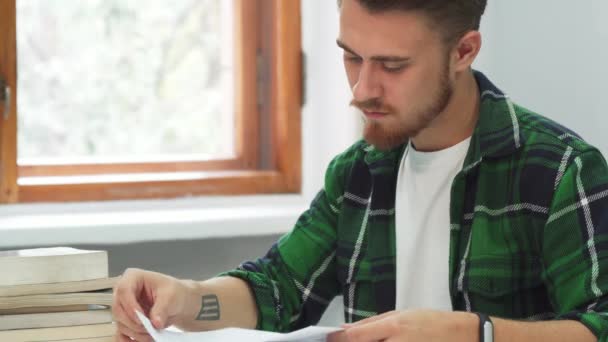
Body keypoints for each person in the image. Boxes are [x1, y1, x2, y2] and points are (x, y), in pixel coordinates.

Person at [112, 0, 608, 341]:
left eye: (392, 66)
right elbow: (280, 290)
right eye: (352, 57)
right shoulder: (358, 174)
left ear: (464, 52)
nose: (361, 89)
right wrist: (187, 299)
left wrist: (474, 333)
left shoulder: (561, 170)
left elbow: (600, 325)